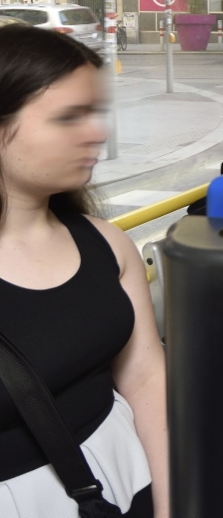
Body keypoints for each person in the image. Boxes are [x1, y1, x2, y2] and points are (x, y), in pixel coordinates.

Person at [0, 25, 167, 516]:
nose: (98, 133)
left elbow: (145, 378)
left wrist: (172, 501)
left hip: (130, 480)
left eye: (95, 113)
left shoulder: (106, 243)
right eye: (69, 118)